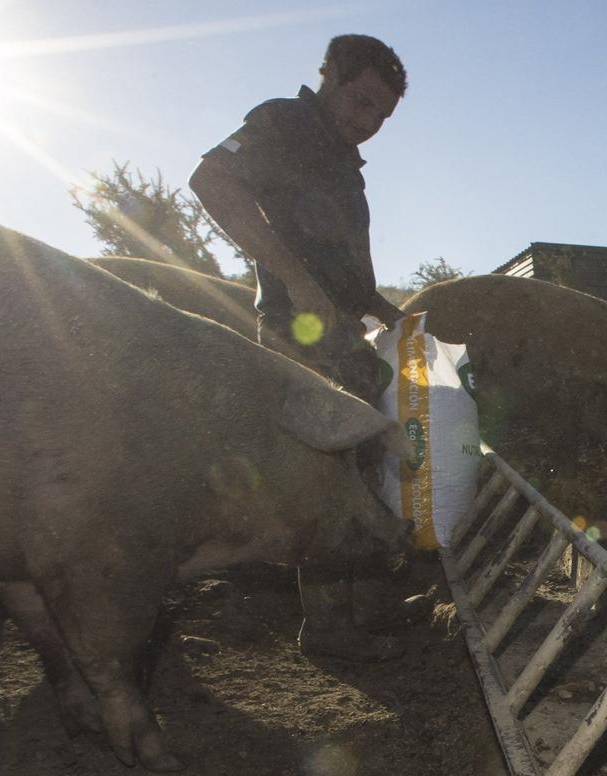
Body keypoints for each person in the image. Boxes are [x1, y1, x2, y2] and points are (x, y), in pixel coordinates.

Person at [191, 33, 410, 661]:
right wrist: (295, 280)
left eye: (380, 116)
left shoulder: (344, 166)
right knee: (322, 475)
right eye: (361, 101)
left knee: (362, 468)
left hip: (345, 337)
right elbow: (210, 179)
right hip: (299, 331)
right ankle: (328, 628)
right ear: (330, 75)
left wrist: (389, 312)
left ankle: (364, 608)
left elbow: (350, 276)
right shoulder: (283, 124)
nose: (366, 122)